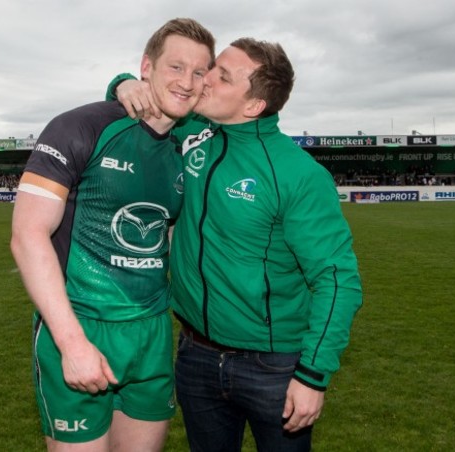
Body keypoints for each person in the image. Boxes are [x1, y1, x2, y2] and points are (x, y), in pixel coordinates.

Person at [108, 37, 363, 451]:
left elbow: (337, 278)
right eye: (214, 68)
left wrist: (313, 376)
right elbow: (139, 93)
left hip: (273, 367)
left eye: (221, 76)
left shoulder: (298, 174)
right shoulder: (190, 129)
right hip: (196, 356)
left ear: (253, 106)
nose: (203, 80)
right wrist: (123, 84)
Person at [10, 18, 215, 452]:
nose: (187, 82)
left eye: (200, 72)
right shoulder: (80, 127)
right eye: (176, 67)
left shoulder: (192, 143)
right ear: (146, 66)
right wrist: (72, 343)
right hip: (82, 326)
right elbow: (28, 235)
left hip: (153, 333)